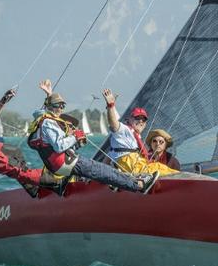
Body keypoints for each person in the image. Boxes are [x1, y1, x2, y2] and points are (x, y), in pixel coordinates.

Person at [28, 80, 158, 194]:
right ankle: (139, 185)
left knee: (99, 171)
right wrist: (75, 137)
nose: (61, 108)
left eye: (63, 105)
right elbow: (59, 145)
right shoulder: (48, 122)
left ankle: (66, 187)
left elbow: (51, 111)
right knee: (104, 171)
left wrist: (50, 94)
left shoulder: (45, 119)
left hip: (60, 164)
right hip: (66, 163)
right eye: (57, 105)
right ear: (49, 106)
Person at [101, 88, 179, 176]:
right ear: (129, 119)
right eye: (137, 118)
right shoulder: (124, 130)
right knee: (162, 170)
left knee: (160, 167)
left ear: (145, 124)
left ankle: (182, 176)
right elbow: (113, 123)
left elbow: (110, 153)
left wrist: (102, 170)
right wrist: (110, 105)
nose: (141, 121)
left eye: (144, 119)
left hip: (136, 163)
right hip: (130, 163)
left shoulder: (135, 136)